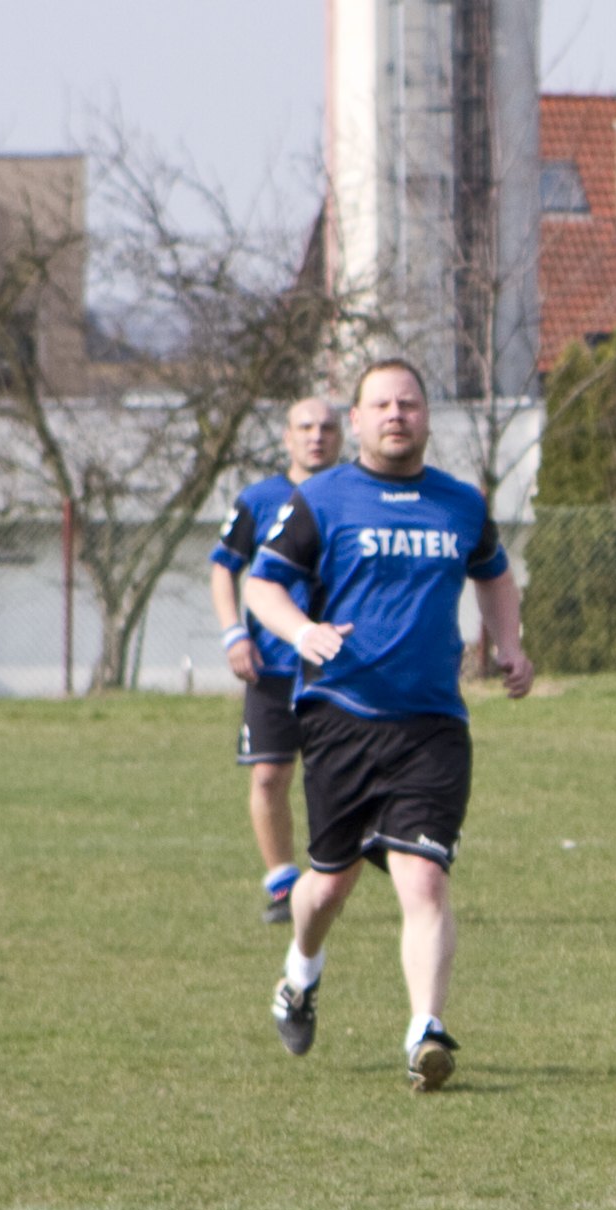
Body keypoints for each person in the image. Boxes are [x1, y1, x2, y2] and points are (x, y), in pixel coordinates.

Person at [241, 357, 530, 1092]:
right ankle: (300, 973)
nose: (396, 414)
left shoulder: (461, 503)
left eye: (409, 403)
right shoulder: (322, 499)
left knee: (424, 881)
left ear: (427, 418)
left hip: (433, 723)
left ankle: (424, 1032)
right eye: (381, 405)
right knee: (328, 890)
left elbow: (493, 572)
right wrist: (301, 631)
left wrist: (510, 642)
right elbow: (262, 582)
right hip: (343, 716)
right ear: (360, 422)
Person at [210, 396, 343, 923]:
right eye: (305, 427)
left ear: (342, 436)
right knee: (269, 777)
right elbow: (225, 567)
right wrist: (233, 634)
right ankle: (284, 885)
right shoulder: (259, 499)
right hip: (272, 668)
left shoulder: (353, 496)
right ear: (287, 438)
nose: (317, 436)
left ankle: (334, 875)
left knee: (337, 777)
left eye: (327, 427)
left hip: (336, 668)